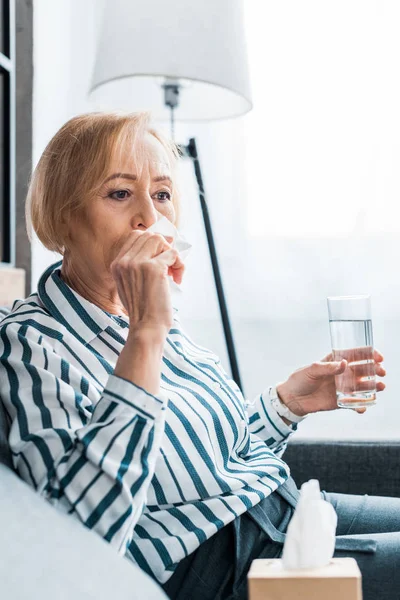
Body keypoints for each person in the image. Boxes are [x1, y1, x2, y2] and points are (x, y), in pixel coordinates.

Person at [0, 111, 397, 600]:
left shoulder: (150, 312)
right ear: (63, 215)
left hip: (283, 511)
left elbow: (203, 468)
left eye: (162, 194)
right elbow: (81, 539)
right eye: (120, 193)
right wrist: (145, 335)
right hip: (224, 565)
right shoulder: (30, 343)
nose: (149, 216)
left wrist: (287, 403)